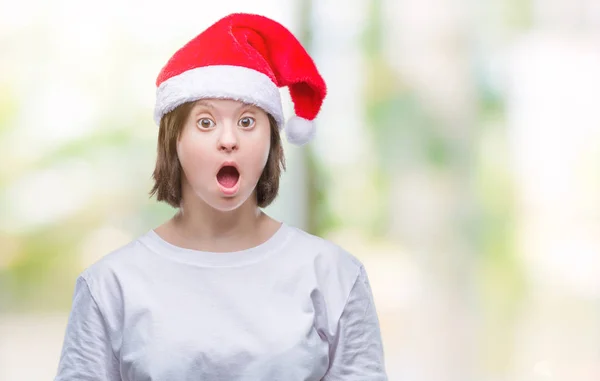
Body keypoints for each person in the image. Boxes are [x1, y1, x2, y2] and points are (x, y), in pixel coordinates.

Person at [54, 12, 388, 381]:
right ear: (173, 140)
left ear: (272, 141)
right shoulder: (109, 286)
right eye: (205, 122)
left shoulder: (335, 276)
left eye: (247, 121)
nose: (228, 140)